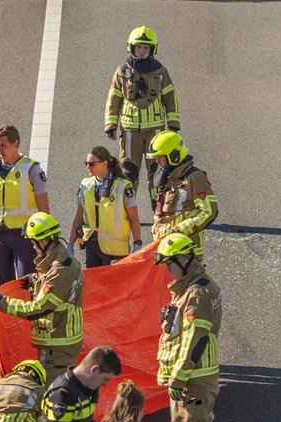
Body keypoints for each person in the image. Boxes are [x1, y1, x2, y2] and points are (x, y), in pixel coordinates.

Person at [154, 233, 222, 422]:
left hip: (193, 377)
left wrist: (179, 375)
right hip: (199, 375)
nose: (168, 270)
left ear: (184, 259)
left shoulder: (197, 293)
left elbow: (196, 338)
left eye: (170, 264)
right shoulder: (193, 287)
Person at [0, 212, 83, 383]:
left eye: (33, 243)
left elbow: (37, 309)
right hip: (59, 341)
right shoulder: (60, 261)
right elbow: (51, 282)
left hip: (58, 344)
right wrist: (34, 281)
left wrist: (2, 302)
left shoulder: (60, 270)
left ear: (43, 241)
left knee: (49, 394)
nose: (32, 247)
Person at [104, 26, 179, 207]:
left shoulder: (161, 71)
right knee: (129, 172)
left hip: (156, 132)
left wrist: (174, 124)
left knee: (157, 171)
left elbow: (170, 96)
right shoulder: (122, 72)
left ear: (152, 49)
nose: (143, 51)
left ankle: (159, 206)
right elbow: (113, 98)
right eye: (139, 47)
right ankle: (128, 207)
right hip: (130, 132)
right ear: (132, 48)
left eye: (147, 48)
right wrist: (111, 125)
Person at [0, 124, 51, 285]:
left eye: (3, 145)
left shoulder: (32, 170)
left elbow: (44, 210)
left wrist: (45, 242)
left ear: (15, 143)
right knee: (4, 287)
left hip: (24, 237)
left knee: (27, 284)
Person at [145, 131, 218, 260]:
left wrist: (178, 230)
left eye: (160, 157)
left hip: (185, 253)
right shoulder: (168, 177)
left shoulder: (194, 178)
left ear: (174, 156)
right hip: (166, 249)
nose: (157, 162)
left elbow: (209, 211)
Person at [67, 146, 142, 267]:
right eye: (86, 163)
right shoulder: (85, 185)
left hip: (116, 249)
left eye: (91, 163)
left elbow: (133, 218)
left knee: (114, 285)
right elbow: (79, 217)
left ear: (104, 163)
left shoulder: (123, 186)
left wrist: (137, 243)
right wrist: (70, 245)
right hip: (92, 247)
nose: (88, 167)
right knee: (94, 284)